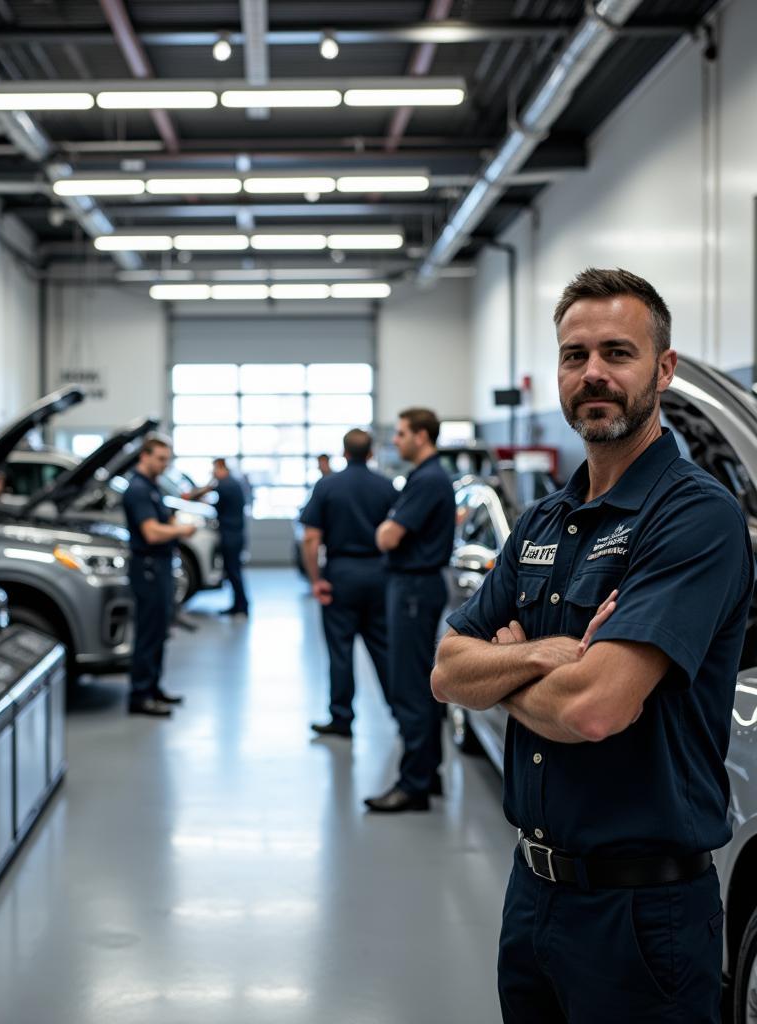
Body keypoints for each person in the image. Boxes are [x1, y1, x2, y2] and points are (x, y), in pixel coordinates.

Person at [431, 268, 754, 1023]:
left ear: (663, 369)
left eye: (618, 352)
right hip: (532, 895)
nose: (594, 373)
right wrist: (546, 655)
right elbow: (447, 668)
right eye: (575, 356)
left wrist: (503, 666)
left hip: (646, 916)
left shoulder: (694, 517)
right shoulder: (542, 521)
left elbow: (597, 708)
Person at [367, 408, 455, 812]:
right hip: (415, 587)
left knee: (409, 687)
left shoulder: (426, 479)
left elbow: (387, 537)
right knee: (420, 683)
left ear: (421, 436)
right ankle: (429, 772)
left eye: (401, 434)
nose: (395, 441)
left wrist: (386, 526)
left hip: (413, 589)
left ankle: (413, 785)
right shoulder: (427, 477)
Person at [300, 429, 397, 739]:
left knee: (340, 651)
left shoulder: (327, 486)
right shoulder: (386, 487)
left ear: (344, 453)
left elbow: (311, 539)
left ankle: (341, 718)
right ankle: (402, 714)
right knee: (383, 648)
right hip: (379, 574)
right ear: (370, 454)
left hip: (340, 575)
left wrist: (316, 580)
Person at [122, 434, 197, 717]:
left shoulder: (153, 487)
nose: (165, 464)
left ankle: (153, 687)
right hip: (149, 568)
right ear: (145, 455)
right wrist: (182, 531)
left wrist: (174, 522)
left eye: (168, 459)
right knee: (149, 632)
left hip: (161, 567)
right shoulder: (138, 489)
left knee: (160, 630)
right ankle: (140, 694)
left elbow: (164, 519)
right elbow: (151, 532)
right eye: (160, 459)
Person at [185, 458, 250, 616]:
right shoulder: (232, 482)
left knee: (233, 571)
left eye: (214, 469)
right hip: (235, 533)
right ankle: (238, 605)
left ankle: (241, 606)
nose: (213, 473)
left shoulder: (225, 484)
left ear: (220, 467)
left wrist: (196, 496)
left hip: (230, 535)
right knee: (233, 571)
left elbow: (211, 499)